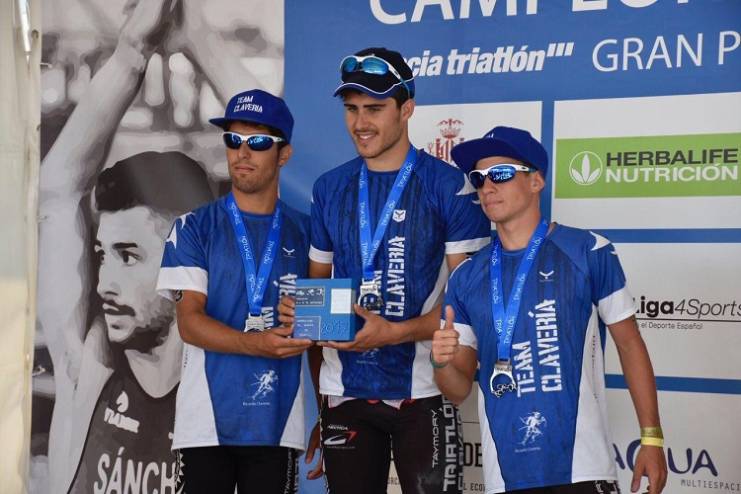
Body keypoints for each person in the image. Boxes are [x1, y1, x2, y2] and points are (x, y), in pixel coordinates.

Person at [280, 47, 491, 494]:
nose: (360, 122)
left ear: (407, 108)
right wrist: (303, 314)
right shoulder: (329, 188)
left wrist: (393, 333)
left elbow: (468, 305)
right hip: (345, 391)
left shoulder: (448, 186)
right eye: (352, 109)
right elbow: (319, 291)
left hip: (424, 390)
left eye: (374, 109)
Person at [37, 1, 216, 491]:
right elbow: (58, 194)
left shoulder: (222, 383)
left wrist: (201, 42)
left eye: (129, 255)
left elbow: (293, 180)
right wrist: (131, 54)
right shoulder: (87, 370)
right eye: (102, 255)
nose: (105, 284)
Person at [430, 126, 668, 493]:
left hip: (583, 469)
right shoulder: (465, 276)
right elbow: (458, 390)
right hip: (505, 478)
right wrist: (441, 363)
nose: (487, 186)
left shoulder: (588, 250)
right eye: (478, 178)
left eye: (501, 174)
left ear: (536, 181)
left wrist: (651, 437)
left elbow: (629, 343)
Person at [156, 88, 313, 494]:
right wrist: (257, 344)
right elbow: (190, 323)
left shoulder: (308, 232)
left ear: (284, 153)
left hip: (277, 425)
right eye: (233, 139)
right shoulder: (193, 227)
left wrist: (327, 411)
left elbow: (320, 326)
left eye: (258, 141)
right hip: (205, 426)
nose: (242, 152)